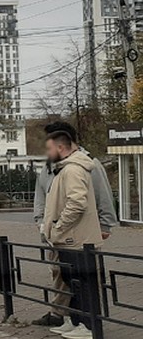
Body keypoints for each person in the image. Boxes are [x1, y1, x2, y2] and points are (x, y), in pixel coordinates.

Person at [30, 121, 116, 328]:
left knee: (82, 276)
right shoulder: (50, 167)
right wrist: (41, 222)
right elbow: (42, 195)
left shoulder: (86, 164)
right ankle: (63, 315)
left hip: (77, 233)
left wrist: (105, 225)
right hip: (55, 233)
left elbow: (101, 195)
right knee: (60, 273)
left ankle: (84, 322)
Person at [41, 128, 105, 339]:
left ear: (61, 148)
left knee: (81, 281)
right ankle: (77, 321)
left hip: (75, 238)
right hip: (71, 238)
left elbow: (77, 203)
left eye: (50, 148)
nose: (47, 153)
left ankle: (87, 326)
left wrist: (58, 227)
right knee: (73, 281)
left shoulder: (72, 170)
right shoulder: (67, 168)